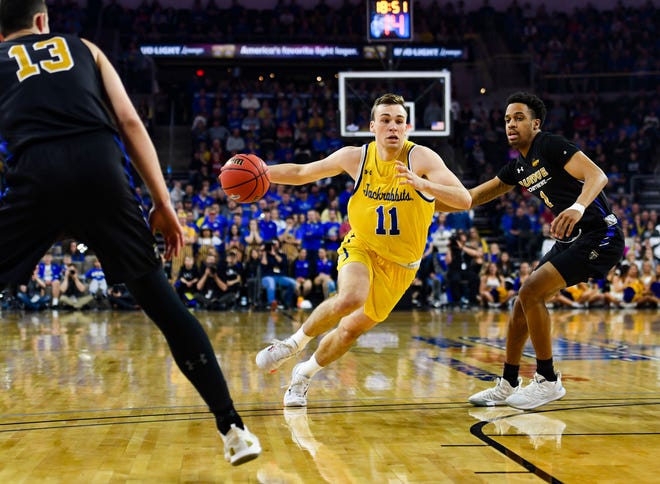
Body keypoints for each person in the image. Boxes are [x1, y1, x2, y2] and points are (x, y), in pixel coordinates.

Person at [0, 1, 259, 465]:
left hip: (36, 171)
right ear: (42, 22)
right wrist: (162, 203)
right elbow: (130, 122)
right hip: (101, 167)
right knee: (161, 302)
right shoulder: (86, 48)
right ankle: (233, 428)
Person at [252, 93, 470, 406]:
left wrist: (424, 185)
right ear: (372, 126)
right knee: (351, 297)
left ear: (406, 127)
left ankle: (303, 374)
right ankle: (292, 344)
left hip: (402, 267)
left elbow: (463, 200)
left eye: (398, 121)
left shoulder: (421, 159)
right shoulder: (355, 157)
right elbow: (302, 173)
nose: (392, 126)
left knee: (349, 332)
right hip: (363, 247)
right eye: (385, 120)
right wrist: (262, 172)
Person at [440, 92, 624, 410]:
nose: (511, 123)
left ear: (535, 123)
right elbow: (469, 198)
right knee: (520, 304)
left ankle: (549, 380)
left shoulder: (550, 144)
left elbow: (598, 175)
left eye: (519, 118)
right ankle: (508, 383)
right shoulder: (518, 167)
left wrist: (579, 207)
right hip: (572, 239)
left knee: (531, 291)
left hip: (601, 235)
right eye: (508, 119)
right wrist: (423, 199)